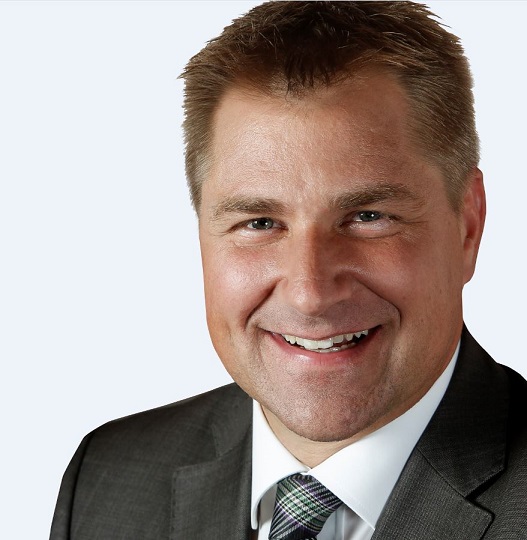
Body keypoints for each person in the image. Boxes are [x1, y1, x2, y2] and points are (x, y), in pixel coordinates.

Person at [49, 2, 527, 539]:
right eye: (259, 222)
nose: (309, 293)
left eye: (368, 217)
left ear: (467, 226)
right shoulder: (109, 476)